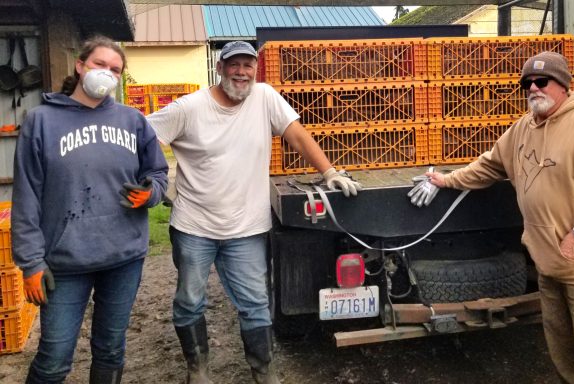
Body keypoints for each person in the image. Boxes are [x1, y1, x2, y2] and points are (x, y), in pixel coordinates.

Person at [146, 40, 361, 384]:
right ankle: (197, 371)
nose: (242, 72)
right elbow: (145, 136)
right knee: (189, 300)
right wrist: (154, 179)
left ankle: (264, 372)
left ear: (255, 70)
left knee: (256, 303)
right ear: (219, 69)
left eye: (248, 65)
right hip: (194, 225)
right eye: (234, 65)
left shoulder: (264, 97)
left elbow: (298, 136)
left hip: (246, 228)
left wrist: (330, 172)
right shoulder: (189, 108)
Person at [417, 51, 574, 383]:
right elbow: (489, 164)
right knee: (560, 345)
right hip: (548, 260)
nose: (534, 88)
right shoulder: (523, 128)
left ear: (563, 85)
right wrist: (447, 180)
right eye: (527, 83)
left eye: (542, 81)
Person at [11, 35, 168, 384]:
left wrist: (151, 193)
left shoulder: (133, 120)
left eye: (116, 69)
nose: (107, 73)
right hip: (65, 262)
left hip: (123, 258)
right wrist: (31, 262)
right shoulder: (41, 121)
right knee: (54, 357)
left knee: (111, 349)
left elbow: (157, 173)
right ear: (80, 66)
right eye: (100, 65)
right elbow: (26, 196)